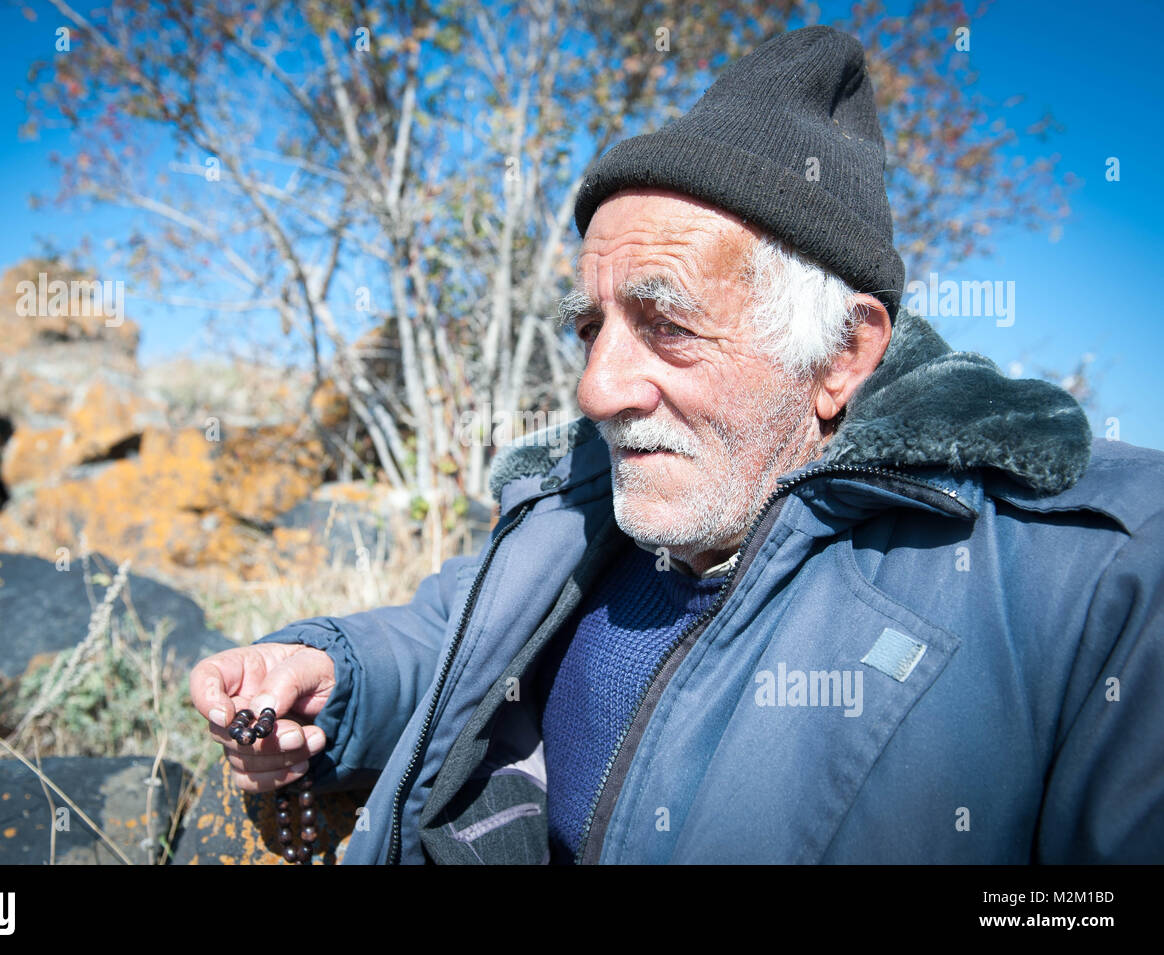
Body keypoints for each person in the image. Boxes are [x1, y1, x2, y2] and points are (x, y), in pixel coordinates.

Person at [189, 25, 1164, 864]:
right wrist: (330, 672)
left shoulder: (1101, 575)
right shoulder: (566, 505)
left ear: (842, 354)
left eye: (668, 324)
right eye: (589, 327)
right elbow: (446, 636)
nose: (596, 388)